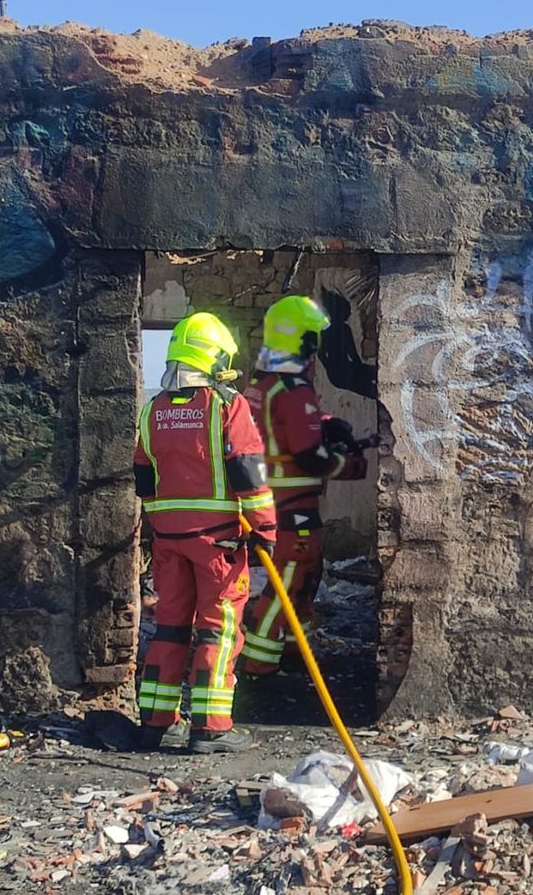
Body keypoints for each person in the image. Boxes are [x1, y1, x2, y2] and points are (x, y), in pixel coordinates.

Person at [133, 312, 276, 753]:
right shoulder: (226, 406)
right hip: (218, 543)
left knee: (171, 628)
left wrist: (160, 527)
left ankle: (157, 721)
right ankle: (211, 728)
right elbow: (247, 473)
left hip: (168, 541)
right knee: (219, 629)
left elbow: (144, 477)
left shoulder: (153, 410)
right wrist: (266, 530)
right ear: (215, 358)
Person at [239, 295, 369, 677]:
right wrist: (351, 464)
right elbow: (311, 456)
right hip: (293, 502)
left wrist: (325, 421)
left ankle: (295, 649)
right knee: (290, 579)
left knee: (305, 575)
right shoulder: (294, 390)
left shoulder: (263, 383)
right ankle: (260, 662)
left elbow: (277, 426)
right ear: (304, 340)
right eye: (315, 338)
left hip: (270, 499)